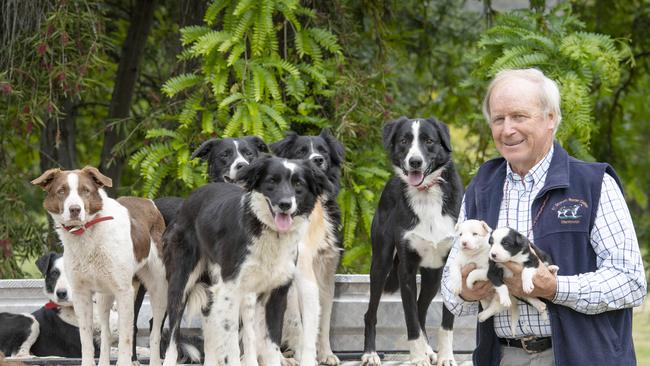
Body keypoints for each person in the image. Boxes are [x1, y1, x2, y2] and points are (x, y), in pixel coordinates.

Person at [441, 68, 647, 366]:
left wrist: (555, 288)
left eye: (519, 116)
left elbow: (631, 282)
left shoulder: (593, 183)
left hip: (584, 356)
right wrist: (468, 293)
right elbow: (452, 296)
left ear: (551, 118)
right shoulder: (480, 188)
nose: (507, 129)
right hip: (503, 356)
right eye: (498, 119)